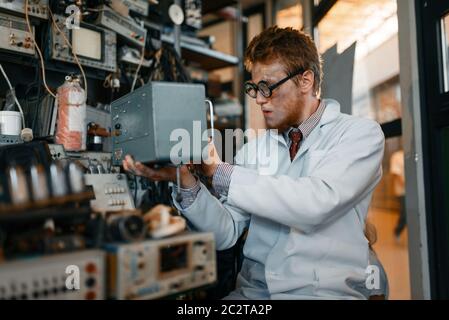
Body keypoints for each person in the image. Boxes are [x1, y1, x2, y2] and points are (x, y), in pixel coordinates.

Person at [123, 26, 385, 299]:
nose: (259, 99)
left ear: (306, 80)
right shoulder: (255, 150)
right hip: (254, 294)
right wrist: (185, 180)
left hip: (322, 293)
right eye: (254, 88)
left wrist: (220, 172)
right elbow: (226, 232)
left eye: (267, 87)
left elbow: (315, 203)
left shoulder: (359, 135)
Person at [390, 149, 406, 241]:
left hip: (412, 190)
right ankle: (397, 231)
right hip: (402, 191)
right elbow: (396, 174)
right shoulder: (396, 156)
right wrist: (407, 185)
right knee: (405, 214)